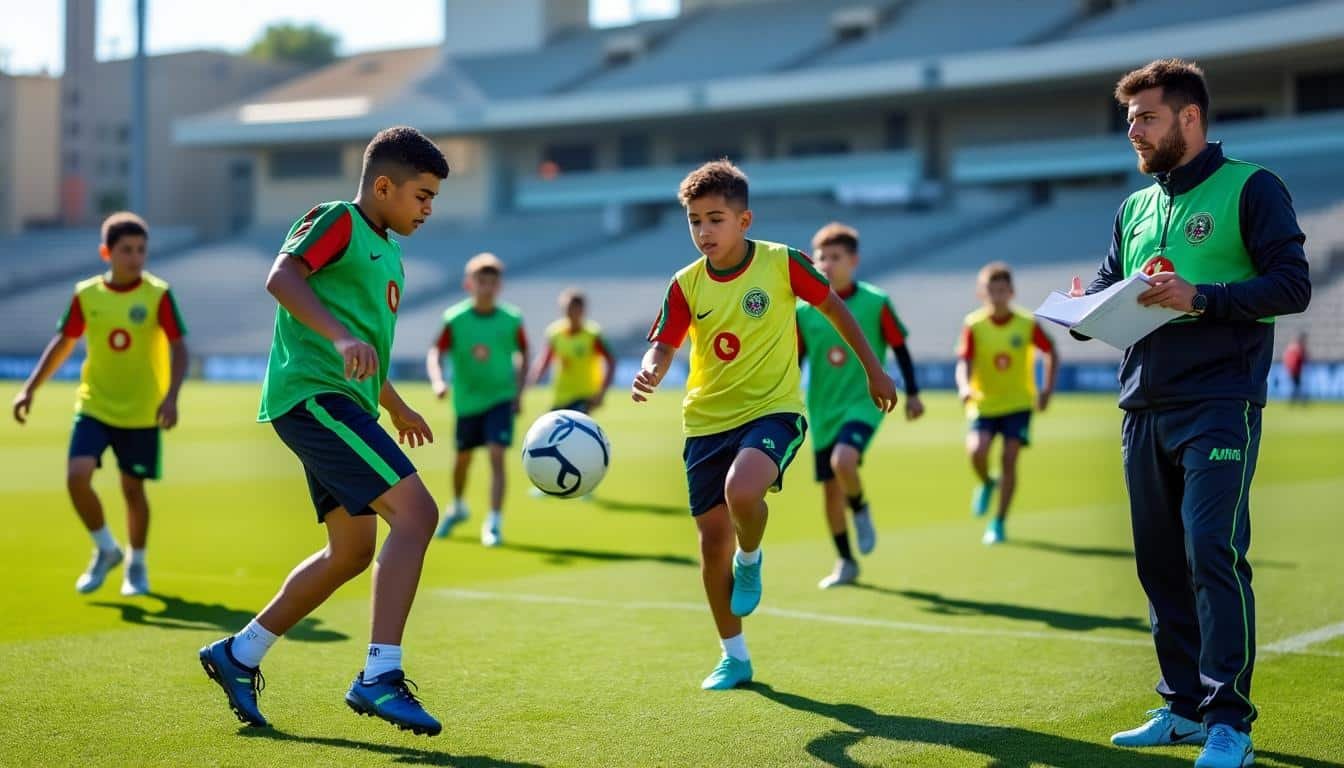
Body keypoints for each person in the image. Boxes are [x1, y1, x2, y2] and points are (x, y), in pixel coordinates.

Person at [1072, 60, 1310, 768]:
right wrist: (1086, 311)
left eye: (1145, 118)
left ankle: (1229, 720)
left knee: (1210, 548)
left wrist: (1201, 296)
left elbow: (1291, 285)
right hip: (1141, 400)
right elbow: (1114, 286)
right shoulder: (1134, 207)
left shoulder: (1252, 187)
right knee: (1159, 562)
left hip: (1220, 400)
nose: (1134, 133)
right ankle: (1180, 707)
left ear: (1189, 117)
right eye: (1129, 123)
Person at [198, 126, 450, 735]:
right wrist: (339, 339)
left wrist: (392, 403)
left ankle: (239, 653)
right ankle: (379, 677)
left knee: (353, 551)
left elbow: (364, 348)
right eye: (421, 195)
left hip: (347, 404)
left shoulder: (389, 251)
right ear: (383, 185)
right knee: (417, 515)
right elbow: (282, 278)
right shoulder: (338, 219)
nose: (428, 209)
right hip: (314, 398)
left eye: (433, 199)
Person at [632, 160, 897, 690]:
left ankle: (750, 557)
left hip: (773, 410)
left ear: (744, 219)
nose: (704, 232)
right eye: (694, 221)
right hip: (705, 420)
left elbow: (835, 309)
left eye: (715, 219)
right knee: (711, 546)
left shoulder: (782, 263)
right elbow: (665, 342)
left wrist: (874, 369)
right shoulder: (685, 284)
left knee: (743, 491)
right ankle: (734, 656)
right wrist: (650, 370)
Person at [11, 212, 188, 597]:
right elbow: (63, 344)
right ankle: (106, 548)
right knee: (77, 477)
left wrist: (171, 397)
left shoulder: (158, 294)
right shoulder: (86, 294)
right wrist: (30, 388)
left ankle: (136, 564)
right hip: (94, 405)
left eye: (141, 249)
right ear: (106, 252)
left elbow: (179, 347)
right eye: (126, 250)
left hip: (142, 411)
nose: (135, 257)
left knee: (132, 490)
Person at [796, 222, 924, 589]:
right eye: (821, 257)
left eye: (835, 257)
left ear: (853, 261)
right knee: (829, 490)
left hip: (864, 402)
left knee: (844, 461)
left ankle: (861, 509)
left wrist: (913, 394)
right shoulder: (804, 312)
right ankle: (846, 561)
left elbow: (899, 346)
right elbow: (796, 361)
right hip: (822, 407)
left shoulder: (876, 301)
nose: (827, 264)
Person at [427, 253, 527, 546]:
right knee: (463, 459)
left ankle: (494, 522)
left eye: (492, 281)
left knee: (497, 454)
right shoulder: (454, 318)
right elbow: (436, 351)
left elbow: (523, 352)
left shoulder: (511, 319)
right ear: (469, 284)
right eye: (481, 281)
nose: (486, 287)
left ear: (499, 286)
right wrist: (438, 380)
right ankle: (457, 505)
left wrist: (519, 392)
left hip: (500, 397)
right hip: (467, 401)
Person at [954, 262, 1058, 545]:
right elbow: (964, 362)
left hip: (1018, 403)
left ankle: (998, 522)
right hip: (984, 403)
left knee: (1009, 460)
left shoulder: (1026, 323)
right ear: (981, 293)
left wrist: (1046, 389)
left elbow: (1050, 351)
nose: (996, 296)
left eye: (1002, 290)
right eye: (991, 290)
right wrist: (964, 387)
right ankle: (987, 483)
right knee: (977, 451)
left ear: (1011, 292)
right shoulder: (973, 325)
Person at [527, 288, 615, 414]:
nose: (571, 312)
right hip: (561, 395)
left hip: (585, 396)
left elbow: (611, 361)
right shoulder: (555, 333)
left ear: (583, 310)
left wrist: (602, 392)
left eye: (575, 308)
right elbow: (545, 360)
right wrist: (532, 379)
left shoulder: (592, 334)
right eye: (568, 308)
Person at [1283, 332, 1307, 405]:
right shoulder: (1297, 348)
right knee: (1297, 386)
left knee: (1296, 386)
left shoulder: (1292, 347)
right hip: (1295, 371)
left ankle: (1294, 401)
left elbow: (1286, 358)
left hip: (1293, 370)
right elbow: (1301, 358)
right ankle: (1298, 401)